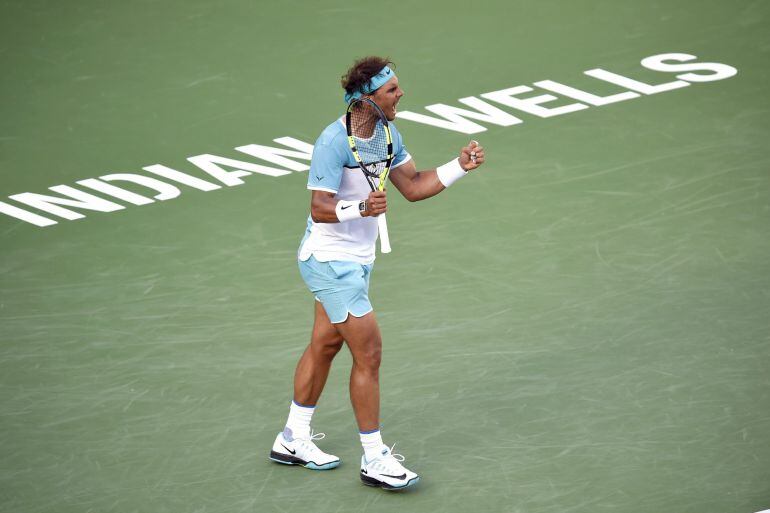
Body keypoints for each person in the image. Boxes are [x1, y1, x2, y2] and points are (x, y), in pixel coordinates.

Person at [268, 56, 485, 491]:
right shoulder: (333, 142)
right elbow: (319, 208)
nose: (400, 94)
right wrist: (360, 207)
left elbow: (414, 186)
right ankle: (375, 458)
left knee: (325, 345)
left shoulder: (387, 133)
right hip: (330, 262)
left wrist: (459, 166)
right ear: (366, 100)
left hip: (358, 260)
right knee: (368, 354)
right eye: (391, 90)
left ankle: (292, 437)